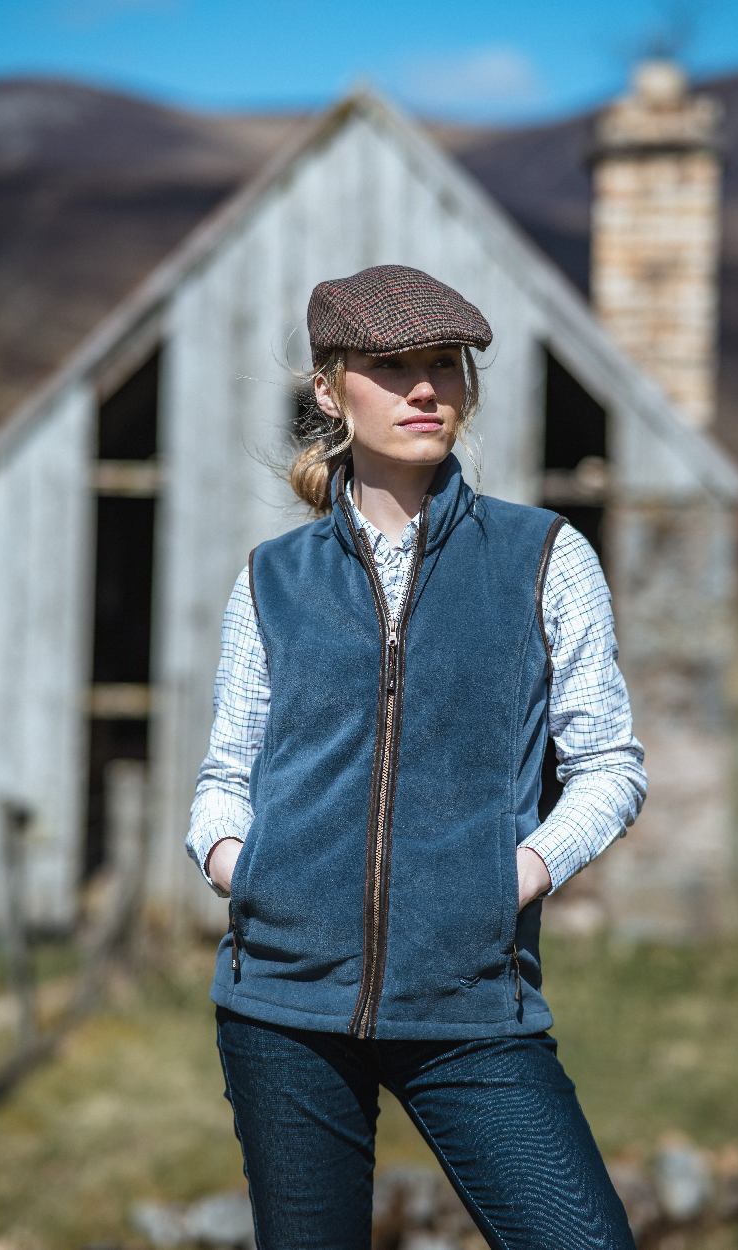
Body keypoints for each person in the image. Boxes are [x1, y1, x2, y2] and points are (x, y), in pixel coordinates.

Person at [186, 263, 648, 1250]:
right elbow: (225, 777)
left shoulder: (541, 556)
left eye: (443, 364)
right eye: (391, 366)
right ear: (329, 388)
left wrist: (512, 874)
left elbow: (609, 761)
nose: (425, 388)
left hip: (473, 1000)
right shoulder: (272, 578)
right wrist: (246, 868)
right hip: (282, 1006)